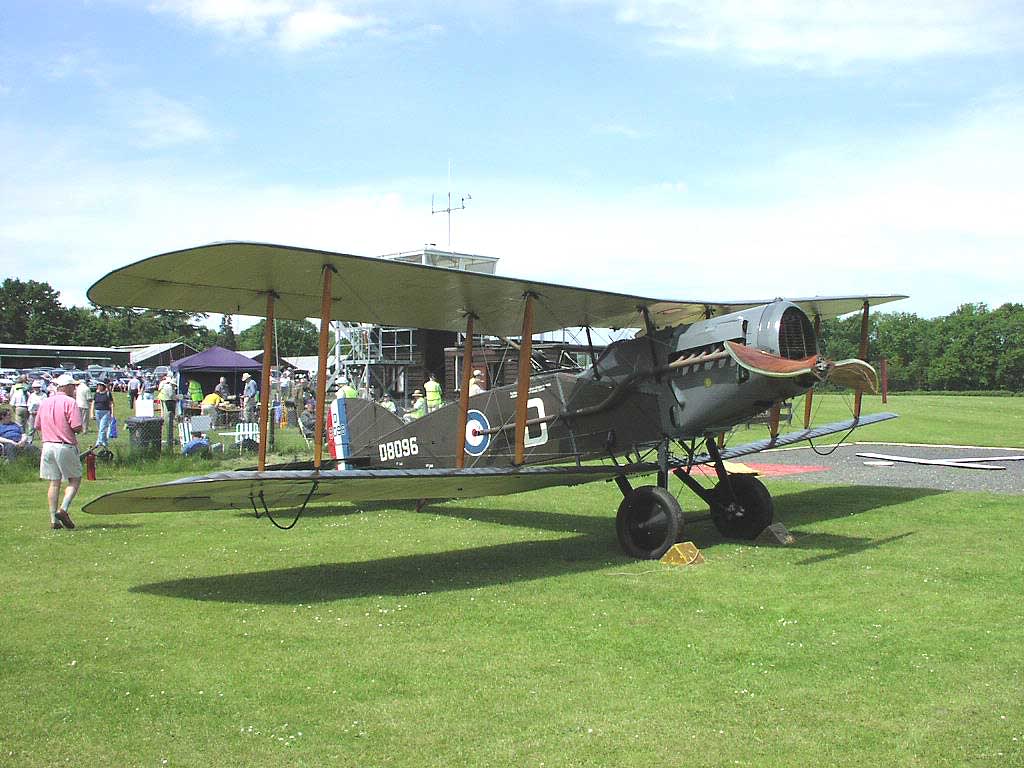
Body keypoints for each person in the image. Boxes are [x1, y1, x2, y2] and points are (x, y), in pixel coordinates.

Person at [35, 373, 83, 530]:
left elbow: (37, 425)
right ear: (67, 387)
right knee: (74, 479)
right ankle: (63, 509)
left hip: (47, 445)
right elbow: (76, 426)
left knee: (54, 482)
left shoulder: (45, 402)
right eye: (73, 387)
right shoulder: (70, 402)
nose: (75, 390)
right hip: (65, 444)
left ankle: (53, 519)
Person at [91, 380, 115, 447]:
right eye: (98, 385)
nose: (98, 387)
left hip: (105, 412)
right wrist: (91, 413)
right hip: (97, 412)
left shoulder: (108, 394)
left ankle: (99, 442)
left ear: (103, 386)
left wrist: (112, 413)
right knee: (100, 428)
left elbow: (111, 404)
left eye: (100, 385)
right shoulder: (96, 394)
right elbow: (93, 403)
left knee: (102, 428)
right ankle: (105, 442)